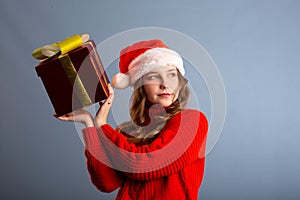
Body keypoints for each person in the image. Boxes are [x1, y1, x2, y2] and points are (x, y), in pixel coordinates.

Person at [56, 39, 209, 200]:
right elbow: (107, 183)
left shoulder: (192, 121)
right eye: (153, 77)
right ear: (140, 86)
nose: (165, 84)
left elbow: (143, 166)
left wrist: (102, 126)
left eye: (171, 74)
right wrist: (90, 124)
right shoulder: (126, 133)